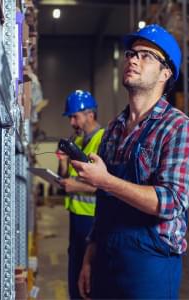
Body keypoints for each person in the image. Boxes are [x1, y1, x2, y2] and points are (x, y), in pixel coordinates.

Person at [72, 24, 189, 299]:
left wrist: (105, 180)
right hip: (106, 258)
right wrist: (89, 256)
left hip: (150, 266)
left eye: (145, 55)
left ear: (166, 73)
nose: (133, 59)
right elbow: (104, 204)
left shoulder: (179, 128)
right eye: (131, 53)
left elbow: (171, 201)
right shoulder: (114, 130)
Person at [57, 90, 105, 299]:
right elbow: (66, 176)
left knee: (89, 274)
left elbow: (106, 184)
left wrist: (76, 187)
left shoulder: (102, 140)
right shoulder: (78, 142)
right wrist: (61, 161)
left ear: (90, 115)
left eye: (75, 116)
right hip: (76, 216)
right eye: (70, 117)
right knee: (75, 267)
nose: (72, 122)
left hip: (93, 218)